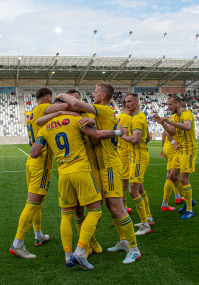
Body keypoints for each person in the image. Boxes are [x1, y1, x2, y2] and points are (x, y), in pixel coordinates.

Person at [55, 83, 142, 264]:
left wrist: (62, 94)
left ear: (102, 95)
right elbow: (94, 139)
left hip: (109, 166)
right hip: (96, 167)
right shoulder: (96, 114)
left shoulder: (103, 109)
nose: (92, 95)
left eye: (94, 92)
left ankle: (134, 249)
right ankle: (122, 242)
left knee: (117, 208)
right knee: (107, 208)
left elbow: (81, 111)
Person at [30, 112, 102, 270]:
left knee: (65, 216)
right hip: (81, 170)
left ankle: (68, 256)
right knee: (96, 211)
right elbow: (95, 136)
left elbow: (34, 153)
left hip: (63, 174)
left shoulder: (44, 128)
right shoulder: (75, 119)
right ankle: (81, 250)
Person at [10, 87, 68, 259]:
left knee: (37, 203)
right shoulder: (44, 108)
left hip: (32, 161)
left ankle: (38, 236)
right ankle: (17, 243)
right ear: (48, 98)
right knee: (33, 203)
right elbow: (60, 108)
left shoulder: (32, 113)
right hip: (41, 162)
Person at [153, 96, 197, 219]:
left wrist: (168, 122)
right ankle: (189, 200)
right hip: (179, 149)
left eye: (170, 104)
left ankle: (189, 209)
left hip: (188, 149)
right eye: (168, 104)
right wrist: (162, 123)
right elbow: (171, 132)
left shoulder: (186, 113)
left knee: (183, 178)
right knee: (172, 176)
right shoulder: (175, 116)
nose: (169, 107)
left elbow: (187, 126)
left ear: (178, 103)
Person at [120, 93, 154, 232]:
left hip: (139, 158)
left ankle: (144, 224)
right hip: (135, 156)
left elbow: (135, 139)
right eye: (125, 102)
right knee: (140, 189)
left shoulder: (138, 118)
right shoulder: (135, 117)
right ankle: (148, 218)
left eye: (129, 101)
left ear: (136, 102)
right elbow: (148, 138)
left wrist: (122, 135)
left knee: (132, 190)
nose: (127, 104)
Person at [116, 99, 133, 214]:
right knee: (124, 185)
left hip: (118, 151)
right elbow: (125, 135)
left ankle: (124, 207)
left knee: (122, 183)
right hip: (126, 153)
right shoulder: (128, 118)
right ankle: (121, 210)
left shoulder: (117, 117)